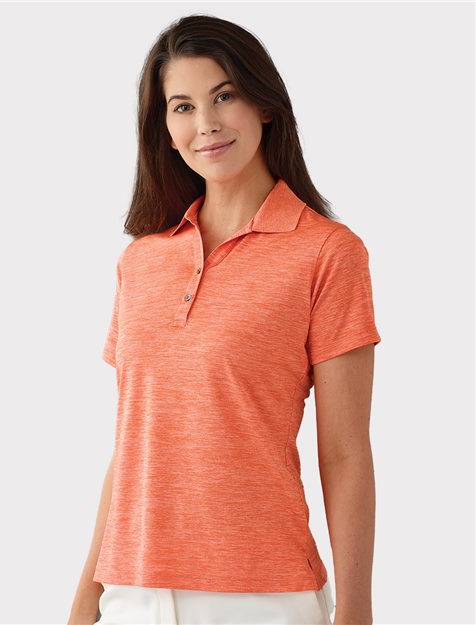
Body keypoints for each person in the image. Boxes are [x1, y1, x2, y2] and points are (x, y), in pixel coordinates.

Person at [67, 13, 381, 625]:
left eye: (224, 96)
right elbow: (133, 448)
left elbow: (345, 454)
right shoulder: (141, 261)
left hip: (261, 598)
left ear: (264, 105)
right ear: (164, 129)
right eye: (182, 107)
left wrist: (357, 613)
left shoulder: (327, 253)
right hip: (131, 595)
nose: (205, 123)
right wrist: (84, 604)